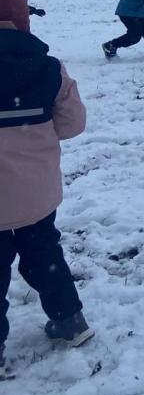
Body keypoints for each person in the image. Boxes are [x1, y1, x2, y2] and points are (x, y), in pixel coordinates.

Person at [1, 25, 93, 374]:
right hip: (34, 191)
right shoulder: (48, 67)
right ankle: (70, 320)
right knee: (44, 254)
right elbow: (72, 125)